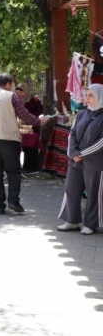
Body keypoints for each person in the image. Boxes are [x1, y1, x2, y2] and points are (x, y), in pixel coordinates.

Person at [0, 74, 49, 215]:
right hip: (8, 140)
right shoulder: (11, 97)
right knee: (13, 172)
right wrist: (40, 121)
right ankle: (13, 201)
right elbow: (25, 116)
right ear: (8, 84)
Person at [57, 84, 103, 235]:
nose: (87, 98)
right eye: (86, 95)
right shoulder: (82, 114)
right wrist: (72, 153)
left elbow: (101, 142)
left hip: (95, 162)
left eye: (91, 95)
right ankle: (71, 221)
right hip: (76, 161)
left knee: (94, 194)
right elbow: (72, 134)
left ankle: (91, 224)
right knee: (71, 190)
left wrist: (81, 154)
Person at [15, 84, 44, 172]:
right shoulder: (17, 101)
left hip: (33, 127)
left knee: (31, 147)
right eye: (17, 92)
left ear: (26, 92)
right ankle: (23, 167)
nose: (19, 94)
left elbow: (40, 112)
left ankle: (31, 168)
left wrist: (30, 118)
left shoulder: (34, 100)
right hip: (22, 128)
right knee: (23, 147)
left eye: (21, 92)